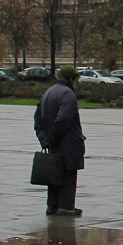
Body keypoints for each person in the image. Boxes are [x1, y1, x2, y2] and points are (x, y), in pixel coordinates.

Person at [34, 65, 87, 216]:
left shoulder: (48, 92)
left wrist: (45, 139)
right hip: (68, 142)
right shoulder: (68, 94)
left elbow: (37, 118)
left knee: (54, 174)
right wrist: (52, 137)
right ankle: (66, 207)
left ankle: (52, 205)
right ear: (71, 78)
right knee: (68, 174)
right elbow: (63, 119)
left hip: (54, 143)